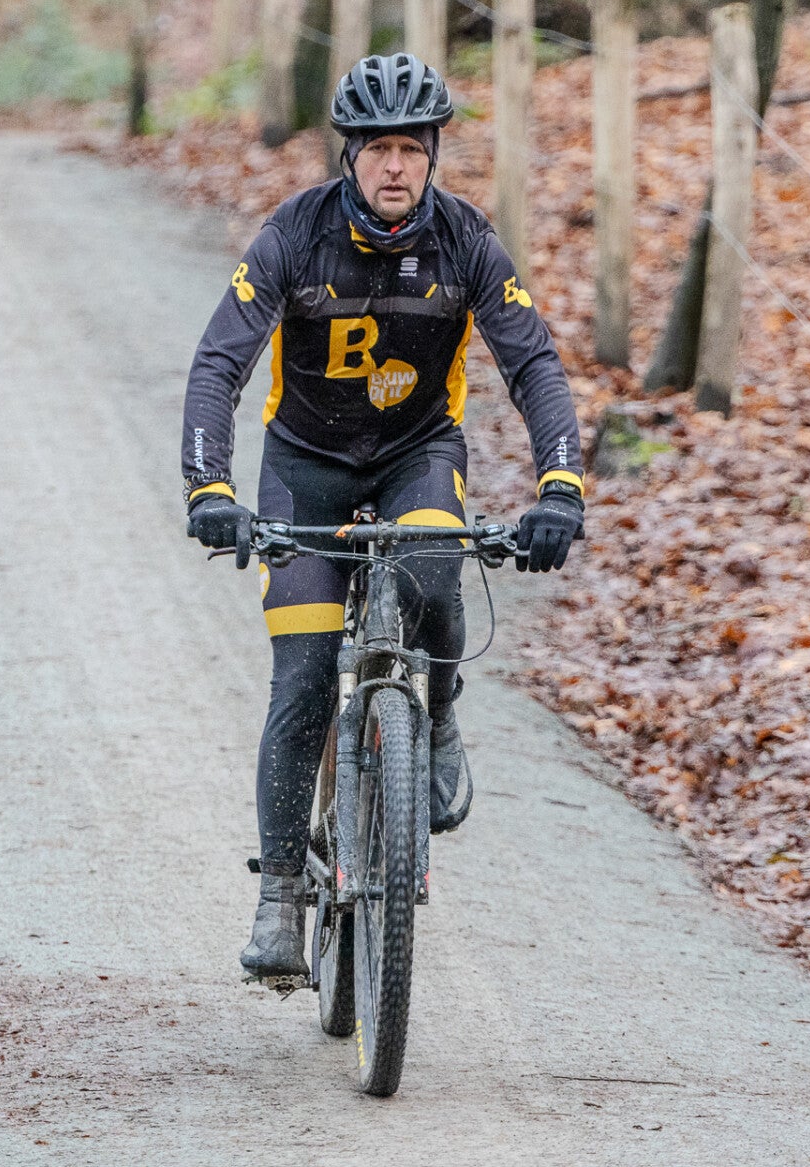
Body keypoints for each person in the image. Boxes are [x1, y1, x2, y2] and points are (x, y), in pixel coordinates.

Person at [180, 53, 585, 980]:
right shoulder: (293, 234)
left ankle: (435, 718)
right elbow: (219, 363)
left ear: (432, 153)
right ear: (348, 155)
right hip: (305, 467)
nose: (394, 166)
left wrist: (560, 486)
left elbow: (533, 365)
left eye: (411, 148)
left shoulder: (467, 241)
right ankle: (281, 895)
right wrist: (209, 488)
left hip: (416, 454)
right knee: (302, 677)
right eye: (376, 149)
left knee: (435, 568)